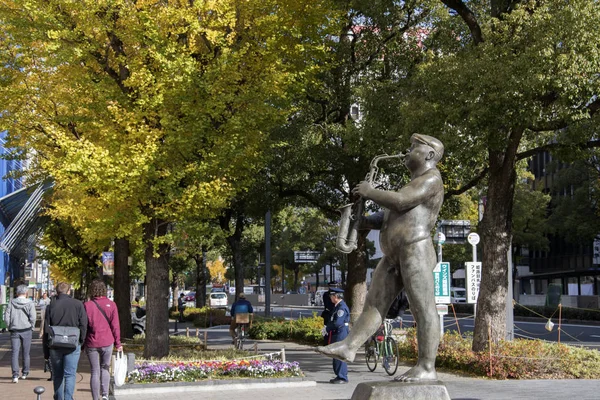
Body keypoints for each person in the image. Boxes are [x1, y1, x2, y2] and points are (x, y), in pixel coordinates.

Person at [317, 133, 445, 382]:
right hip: (394, 254)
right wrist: (361, 221)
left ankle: (427, 367)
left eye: (413, 147)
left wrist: (370, 191)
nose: (407, 151)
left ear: (429, 154)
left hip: (415, 250)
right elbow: (388, 217)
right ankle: (350, 346)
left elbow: (400, 202)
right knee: (374, 303)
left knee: (423, 309)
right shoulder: (411, 182)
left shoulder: (431, 180)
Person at [44, 282, 88, 400]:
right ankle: (68, 398)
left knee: (58, 375)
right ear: (69, 291)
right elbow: (84, 324)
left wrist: (46, 351)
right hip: (73, 343)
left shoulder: (51, 306)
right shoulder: (78, 304)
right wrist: (81, 341)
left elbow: (46, 329)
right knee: (70, 374)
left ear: (57, 292)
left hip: (55, 344)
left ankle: (59, 397)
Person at [84, 279, 123, 400]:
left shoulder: (87, 305)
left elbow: (84, 326)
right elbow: (115, 326)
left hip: (92, 342)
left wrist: (82, 343)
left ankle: (96, 397)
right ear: (104, 290)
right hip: (107, 341)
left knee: (94, 371)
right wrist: (118, 343)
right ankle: (105, 394)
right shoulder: (111, 305)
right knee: (105, 367)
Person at [4, 284, 36, 383]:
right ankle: (25, 373)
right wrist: (32, 326)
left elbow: (6, 317)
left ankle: (15, 375)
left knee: (14, 353)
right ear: (26, 293)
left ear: (17, 293)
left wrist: (9, 326)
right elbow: (33, 317)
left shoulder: (11, 302)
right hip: (26, 329)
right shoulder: (30, 303)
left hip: (14, 330)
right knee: (26, 353)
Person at [324, 287, 350, 384]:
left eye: (331, 296)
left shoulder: (341, 307)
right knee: (336, 355)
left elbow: (337, 323)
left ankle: (342, 377)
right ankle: (339, 375)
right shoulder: (337, 306)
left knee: (339, 355)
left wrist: (327, 328)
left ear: (336, 297)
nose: (330, 298)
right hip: (337, 333)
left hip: (340, 333)